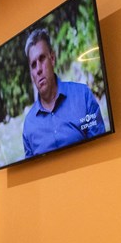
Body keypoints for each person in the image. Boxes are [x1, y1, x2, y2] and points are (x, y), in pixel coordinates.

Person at [21, 28, 105, 158]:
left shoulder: (83, 96)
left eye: (42, 59)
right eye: (33, 65)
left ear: (52, 58)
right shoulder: (29, 125)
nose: (38, 69)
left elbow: (102, 150)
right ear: (31, 74)